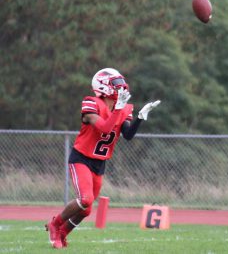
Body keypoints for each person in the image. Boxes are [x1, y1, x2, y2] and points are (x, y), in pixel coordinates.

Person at [45, 67, 160, 248]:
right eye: (115, 84)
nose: (121, 87)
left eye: (121, 83)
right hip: (81, 158)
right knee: (85, 200)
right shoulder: (91, 103)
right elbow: (105, 128)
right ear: (102, 86)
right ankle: (55, 223)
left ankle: (62, 233)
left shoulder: (122, 108)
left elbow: (128, 135)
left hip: (100, 163)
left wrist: (140, 117)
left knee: (87, 210)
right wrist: (118, 109)